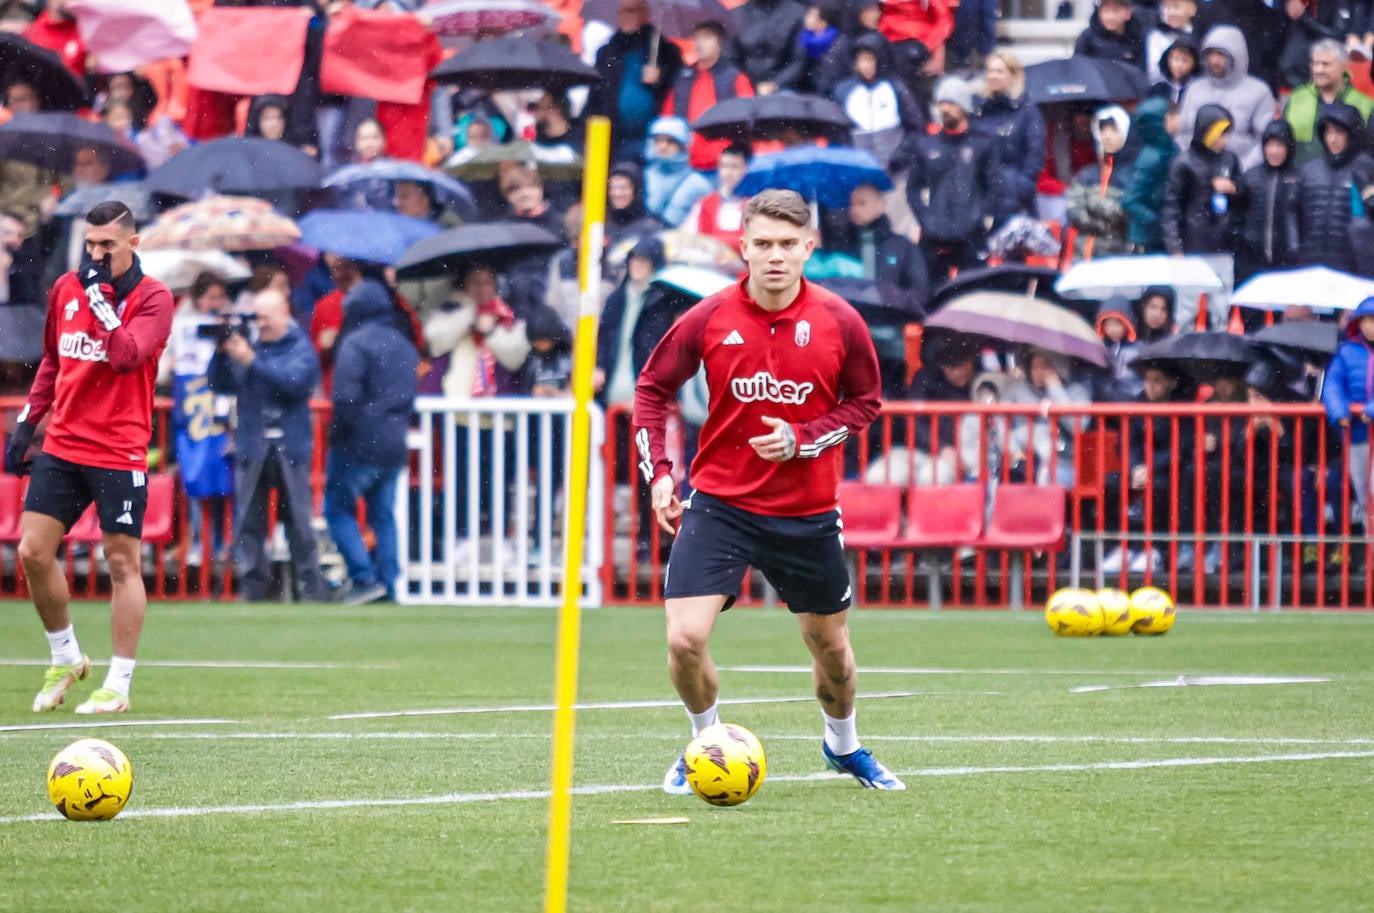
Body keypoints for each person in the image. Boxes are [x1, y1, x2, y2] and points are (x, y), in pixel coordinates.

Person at [633, 189, 903, 792]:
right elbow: (652, 389)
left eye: (788, 245)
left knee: (830, 648)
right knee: (683, 639)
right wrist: (661, 475)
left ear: (809, 248)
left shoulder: (841, 320)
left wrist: (803, 438)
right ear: (743, 248)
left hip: (805, 511)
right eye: (763, 244)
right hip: (721, 504)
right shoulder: (708, 317)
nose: (775, 256)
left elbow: (865, 403)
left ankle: (843, 745)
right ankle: (707, 741)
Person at [6, 201, 174, 714]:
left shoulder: (154, 299)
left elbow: (125, 355)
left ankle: (118, 685)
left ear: (133, 244)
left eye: (108, 245)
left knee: (121, 561)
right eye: (91, 245)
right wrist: (26, 423)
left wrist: (100, 296)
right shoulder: (65, 288)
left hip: (120, 445)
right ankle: (66, 656)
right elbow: (55, 361)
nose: (97, 255)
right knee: (32, 551)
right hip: (64, 441)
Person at [208, 289, 334, 603]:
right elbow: (219, 383)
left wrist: (251, 360)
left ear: (283, 313)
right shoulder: (250, 346)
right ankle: (252, 590)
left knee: (299, 525)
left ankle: (311, 589)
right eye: (257, 317)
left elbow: (293, 384)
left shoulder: (300, 347)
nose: (259, 323)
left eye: (264, 316)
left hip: (289, 447)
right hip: (253, 445)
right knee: (250, 521)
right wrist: (222, 352)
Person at [323, 279, 419, 605]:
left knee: (337, 509)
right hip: (394, 442)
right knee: (383, 515)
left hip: (358, 440)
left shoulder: (355, 344)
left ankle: (364, 579)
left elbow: (345, 398)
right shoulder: (405, 345)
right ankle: (389, 583)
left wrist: (336, 434)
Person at [896, 76, 999, 280]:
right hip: (934, 237)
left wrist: (980, 219)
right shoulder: (927, 146)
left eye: (951, 103)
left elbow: (994, 187)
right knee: (931, 299)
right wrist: (927, 220)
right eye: (941, 102)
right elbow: (913, 189)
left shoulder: (982, 144)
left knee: (971, 296)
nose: (945, 108)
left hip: (971, 237)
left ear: (964, 106)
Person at [1161, 104, 1244, 330]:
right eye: (1219, 134)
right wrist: (1174, 245)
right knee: (1187, 308)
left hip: (1223, 245)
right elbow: (1172, 206)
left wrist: (1235, 189)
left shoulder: (1231, 160)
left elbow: (1244, 198)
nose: (1223, 140)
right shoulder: (1184, 163)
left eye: (1226, 134)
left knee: (1221, 308)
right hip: (1192, 246)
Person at [587, 0, 684, 162]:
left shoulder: (664, 50)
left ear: (645, 14)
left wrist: (661, 77)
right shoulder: (608, 52)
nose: (625, 16)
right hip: (614, 136)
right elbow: (597, 93)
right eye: (622, 11)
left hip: (652, 138)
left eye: (631, 11)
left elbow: (677, 85)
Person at [1175, 26, 1277, 170]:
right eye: (1210, 54)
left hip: (1240, 173)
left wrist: (1242, 171)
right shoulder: (1195, 88)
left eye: (1221, 55)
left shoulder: (1259, 91)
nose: (1215, 60)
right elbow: (1182, 133)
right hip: (1195, 173)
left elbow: (1265, 140)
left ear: (1237, 56)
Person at [662, 20, 754, 172]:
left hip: (721, 161)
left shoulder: (734, 77)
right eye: (696, 37)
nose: (699, 43)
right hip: (683, 158)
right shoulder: (683, 78)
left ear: (719, 42)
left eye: (706, 37)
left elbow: (746, 120)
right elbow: (668, 119)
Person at [1295, 102, 1374, 274]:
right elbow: (1295, 216)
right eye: (1328, 131)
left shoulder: (1367, 169)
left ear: (1352, 135)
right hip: (1310, 264)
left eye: (1339, 131)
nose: (1332, 138)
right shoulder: (1309, 170)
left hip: (1353, 270)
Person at [970, 50, 1046, 219]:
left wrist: (1022, 185)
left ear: (1013, 75)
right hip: (980, 189)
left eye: (999, 71)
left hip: (1013, 190)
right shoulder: (977, 108)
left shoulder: (1027, 110)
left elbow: (1035, 151)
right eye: (990, 70)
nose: (993, 76)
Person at [1322, 296, 1374, 529]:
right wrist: (1338, 410)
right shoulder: (1346, 352)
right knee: (1363, 493)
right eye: (1367, 321)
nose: (1371, 326)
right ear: (1359, 324)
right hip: (1357, 436)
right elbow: (1332, 384)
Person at [1237, 119, 1301, 286]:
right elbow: (1238, 216)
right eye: (1270, 145)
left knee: (1285, 309)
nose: (1274, 151)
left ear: (1289, 147)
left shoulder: (1299, 178)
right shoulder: (1250, 177)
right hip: (1252, 258)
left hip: (1287, 260)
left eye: (1280, 145)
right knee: (1251, 309)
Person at [1123, 95, 1181, 252]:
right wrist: (1155, 220)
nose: (1179, 119)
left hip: (1160, 235)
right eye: (1173, 115)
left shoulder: (1170, 149)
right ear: (1161, 121)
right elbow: (1130, 200)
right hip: (1146, 239)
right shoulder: (1151, 157)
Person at [1073, 0, 1146, 69]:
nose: (1110, 17)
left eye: (1115, 11)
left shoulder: (1136, 38)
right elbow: (1077, 68)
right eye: (1106, 11)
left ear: (1128, 14)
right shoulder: (1087, 38)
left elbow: (1140, 72)